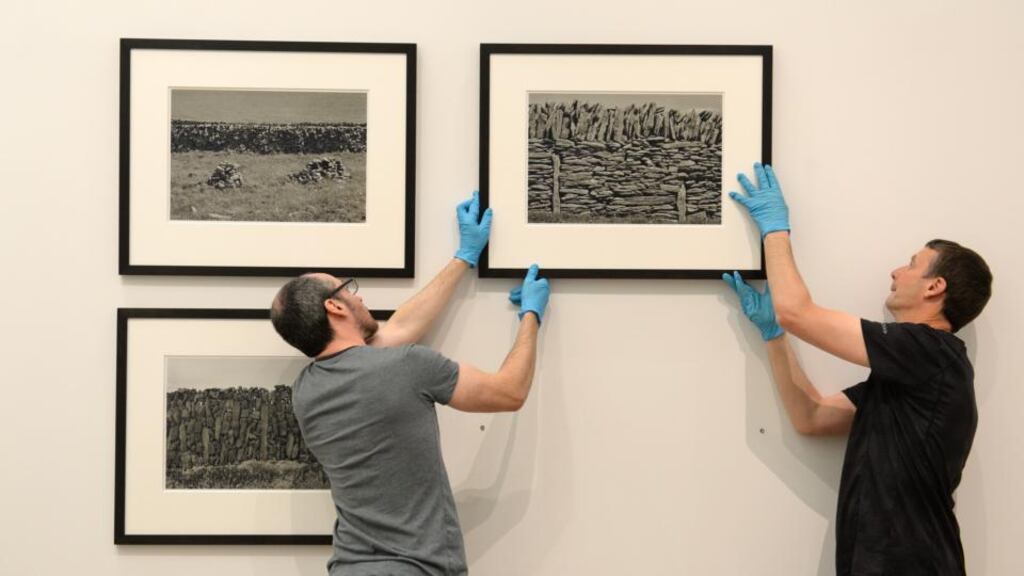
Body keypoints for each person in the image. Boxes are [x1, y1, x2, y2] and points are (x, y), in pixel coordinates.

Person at [723, 164, 992, 576]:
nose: (895, 272)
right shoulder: (909, 379)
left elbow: (799, 312)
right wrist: (774, 336)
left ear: (935, 287)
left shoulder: (932, 351)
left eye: (911, 264)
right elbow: (811, 417)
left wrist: (775, 231)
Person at [270, 192, 550, 576]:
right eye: (346, 289)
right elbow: (510, 391)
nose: (359, 295)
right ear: (335, 307)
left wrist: (464, 257)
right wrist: (531, 316)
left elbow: (400, 328)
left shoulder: (305, 392)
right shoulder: (406, 367)